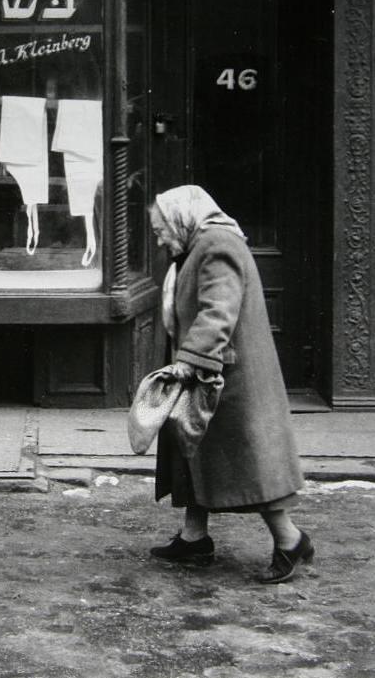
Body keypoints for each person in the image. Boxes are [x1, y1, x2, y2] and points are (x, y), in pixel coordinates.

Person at [147, 184, 313, 584]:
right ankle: (194, 538)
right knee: (192, 452)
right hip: (210, 371)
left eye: (161, 228)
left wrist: (189, 362)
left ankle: (291, 540)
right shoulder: (198, 245)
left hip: (227, 378)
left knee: (250, 464)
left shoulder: (216, 245)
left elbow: (218, 312)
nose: (159, 238)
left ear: (182, 219)